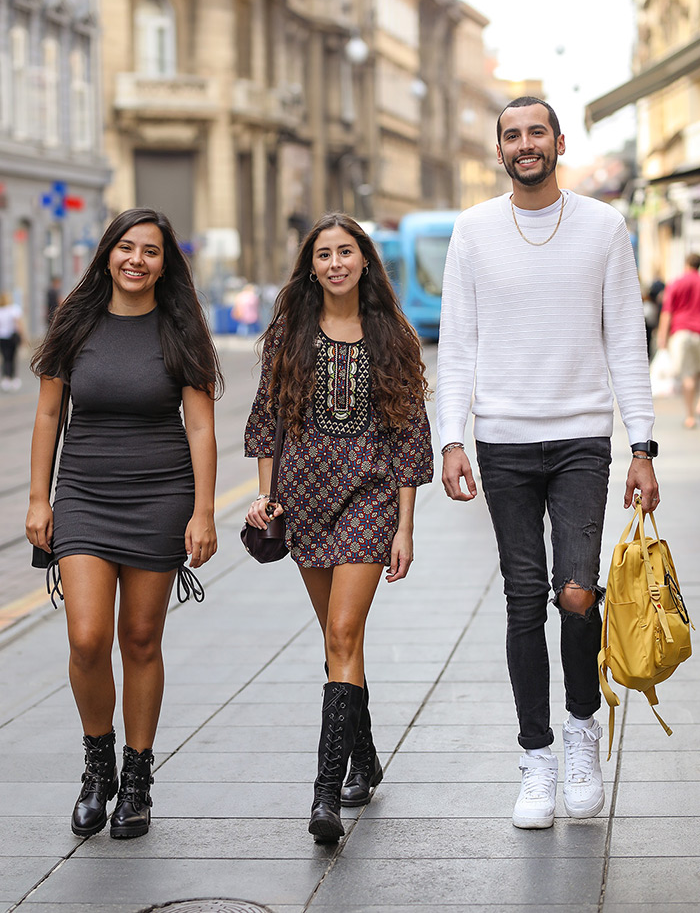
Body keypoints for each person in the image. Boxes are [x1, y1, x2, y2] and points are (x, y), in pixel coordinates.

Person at [437, 97, 659, 830]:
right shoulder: (472, 231)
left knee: (576, 593)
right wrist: (452, 439)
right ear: (498, 149)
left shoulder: (602, 227)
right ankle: (535, 756)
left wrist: (643, 446)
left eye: (537, 132)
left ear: (559, 142)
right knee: (522, 594)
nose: (525, 144)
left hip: (579, 441)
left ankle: (580, 732)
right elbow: (458, 342)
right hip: (501, 440)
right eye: (512, 135)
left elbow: (627, 340)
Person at [25, 208, 222, 840]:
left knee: (139, 639)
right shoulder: (75, 322)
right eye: (127, 248)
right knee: (86, 638)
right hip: (83, 492)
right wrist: (38, 499)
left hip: (161, 495)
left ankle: (137, 780)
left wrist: (203, 511)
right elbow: (49, 415)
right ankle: (97, 764)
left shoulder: (180, 328)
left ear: (167, 263)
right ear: (108, 253)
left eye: (152, 251)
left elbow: (200, 426)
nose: (137, 260)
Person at [244, 212, 433, 842]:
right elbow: (267, 421)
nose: (335, 263)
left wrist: (404, 526)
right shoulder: (290, 336)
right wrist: (265, 497)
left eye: (345, 252)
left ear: (364, 261)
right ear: (311, 266)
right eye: (323, 254)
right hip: (304, 499)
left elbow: (409, 435)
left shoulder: (392, 336)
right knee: (337, 639)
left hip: (370, 499)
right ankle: (367, 759)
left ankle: (324, 795)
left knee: (345, 629)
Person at [655, 253, 700, 429]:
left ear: (686, 264)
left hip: (681, 332)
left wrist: (662, 337)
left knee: (687, 375)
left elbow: (667, 312)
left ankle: (690, 415)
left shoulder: (676, 283)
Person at [0, 291, 25, 391]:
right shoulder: (13, 309)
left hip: (2, 337)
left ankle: (6, 377)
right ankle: (13, 378)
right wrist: (22, 337)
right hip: (11, 337)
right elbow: (18, 324)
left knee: (5, 358)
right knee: (12, 357)